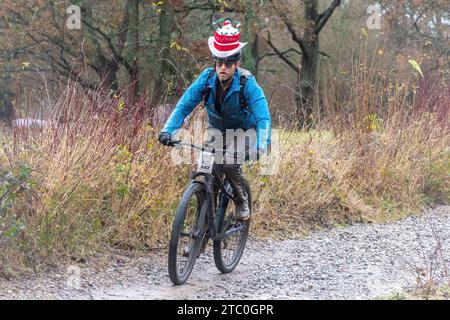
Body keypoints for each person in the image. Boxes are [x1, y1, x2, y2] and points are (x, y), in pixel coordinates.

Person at [158, 18, 271, 220]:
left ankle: (241, 200)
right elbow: (185, 104)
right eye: (219, 62)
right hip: (218, 132)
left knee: (228, 163)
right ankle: (205, 226)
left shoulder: (248, 83)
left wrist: (261, 146)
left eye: (228, 63)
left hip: (247, 133)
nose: (223, 67)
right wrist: (168, 130)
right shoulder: (207, 79)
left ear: (236, 63)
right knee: (206, 170)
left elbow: (263, 118)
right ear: (215, 63)